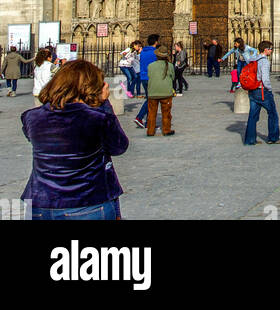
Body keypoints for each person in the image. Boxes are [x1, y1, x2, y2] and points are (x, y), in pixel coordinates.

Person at [21, 59, 129, 220]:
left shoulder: (31, 117)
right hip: (87, 202)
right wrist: (103, 103)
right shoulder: (96, 118)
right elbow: (119, 147)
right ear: (91, 87)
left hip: (40, 204)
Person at [243, 40, 280, 146]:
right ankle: (273, 138)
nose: (271, 50)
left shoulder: (252, 59)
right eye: (270, 49)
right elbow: (265, 79)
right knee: (272, 114)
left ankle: (250, 140)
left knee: (252, 116)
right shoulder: (264, 61)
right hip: (262, 91)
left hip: (252, 90)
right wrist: (269, 88)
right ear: (266, 49)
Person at [146, 45, 176, 137]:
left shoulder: (150, 66)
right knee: (166, 113)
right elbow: (173, 78)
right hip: (166, 92)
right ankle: (166, 130)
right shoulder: (170, 66)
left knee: (151, 113)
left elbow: (149, 76)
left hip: (152, 92)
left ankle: (150, 131)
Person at [134, 33, 159, 130]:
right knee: (150, 100)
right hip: (151, 78)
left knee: (150, 99)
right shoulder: (155, 53)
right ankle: (139, 117)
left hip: (143, 78)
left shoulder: (143, 52)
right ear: (156, 42)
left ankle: (149, 123)